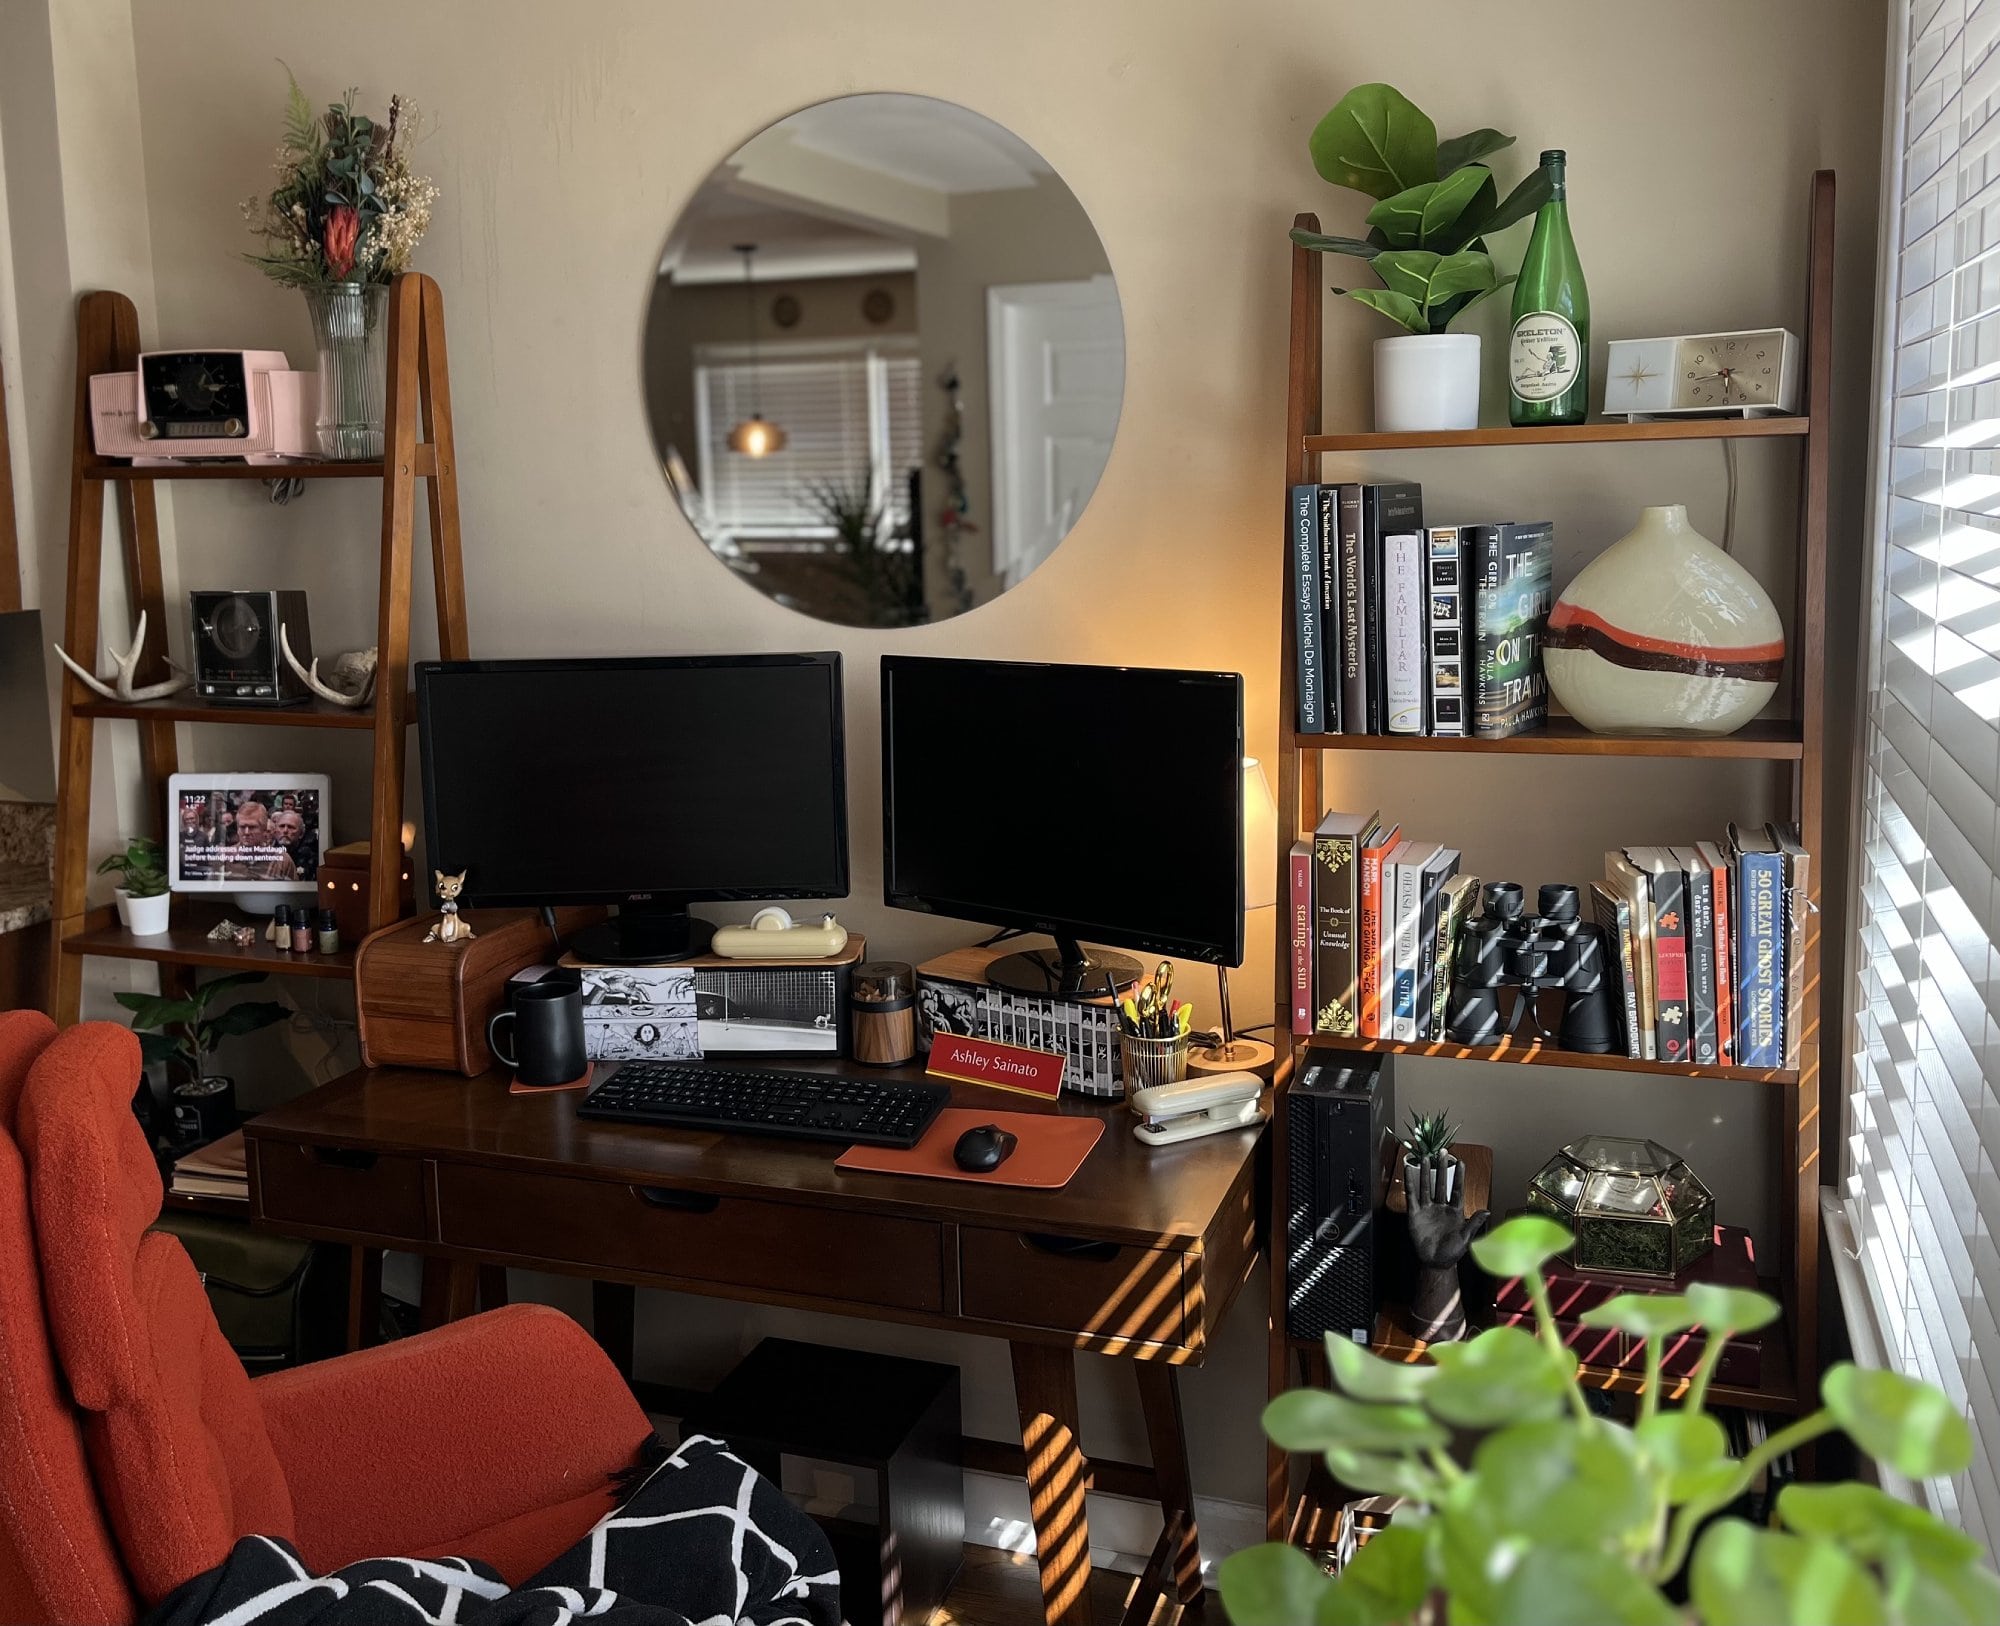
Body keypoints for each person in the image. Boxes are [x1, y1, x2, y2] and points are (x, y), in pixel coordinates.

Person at [227, 798, 297, 882]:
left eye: (252, 827)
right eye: (242, 827)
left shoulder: (282, 860)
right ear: (237, 829)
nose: (246, 832)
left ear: (264, 829)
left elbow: (295, 890)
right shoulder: (224, 857)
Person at [269, 804, 319, 879]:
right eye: (282, 826)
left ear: (301, 834)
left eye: (291, 827)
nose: (285, 831)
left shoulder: (310, 857)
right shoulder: (267, 854)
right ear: (275, 830)